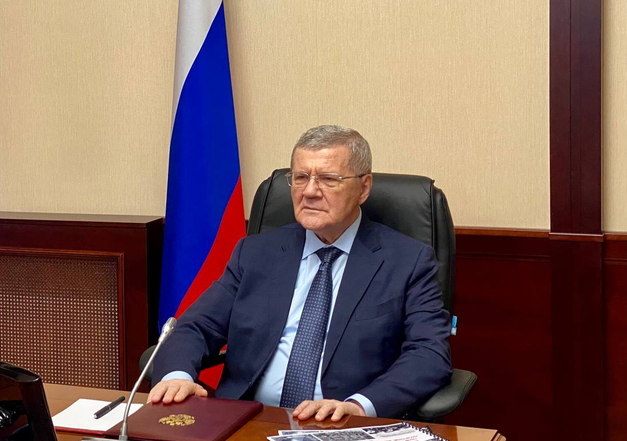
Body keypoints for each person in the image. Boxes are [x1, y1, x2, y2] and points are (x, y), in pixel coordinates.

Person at [149, 125, 452, 422]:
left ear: (363, 187)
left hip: (342, 426)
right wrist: (177, 377)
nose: (309, 192)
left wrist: (360, 407)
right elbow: (195, 327)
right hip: (248, 421)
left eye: (328, 179)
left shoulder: (408, 261)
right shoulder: (256, 253)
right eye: (300, 177)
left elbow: (429, 354)